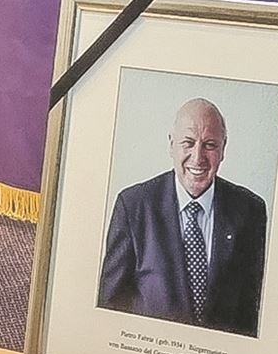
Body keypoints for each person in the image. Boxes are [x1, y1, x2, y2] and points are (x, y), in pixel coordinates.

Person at [97, 98, 268, 337]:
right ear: (171, 145)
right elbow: (110, 304)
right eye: (188, 143)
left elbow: (254, 306)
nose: (198, 157)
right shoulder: (133, 205)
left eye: (209, 145)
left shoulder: (251, 211)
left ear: (223, 149)